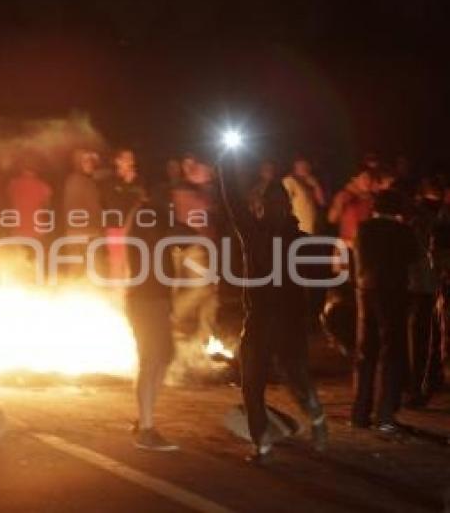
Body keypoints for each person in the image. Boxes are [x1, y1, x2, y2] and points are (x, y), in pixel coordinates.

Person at [219, 158, 328, 464]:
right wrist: (311, 315)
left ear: (263, 206)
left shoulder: (253, 233)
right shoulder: (303, 241)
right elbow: (317, 283)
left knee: (252, 384)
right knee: (296, 377)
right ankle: (316, 417)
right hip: (290, 320)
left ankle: (263, 444)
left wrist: (225, 163)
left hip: (261, 319)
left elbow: (233, 203)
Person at [351, 190, 419, 432]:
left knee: (365, 351)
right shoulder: (403, 231)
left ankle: (360, 412)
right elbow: (414, 260)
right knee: (392, 352)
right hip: (393, 293)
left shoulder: (363, 228)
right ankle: (386, 414)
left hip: (365, 291)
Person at [125, 203, 179, 451]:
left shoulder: (153, 231)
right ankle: (146, 429)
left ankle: (143, 419)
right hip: (146, 301)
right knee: (151, 359)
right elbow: (179, 234)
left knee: (165, 356)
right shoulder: (149, 231)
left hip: (155, 300)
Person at [170, 154, 219, 339]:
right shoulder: (184, 188)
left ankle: (205, 337)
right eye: (205, 170)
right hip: (190, 246)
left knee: (211, 292)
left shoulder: (199, 189)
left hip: (199, 245)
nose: (209, 174)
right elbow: (199, 209)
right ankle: (173, 316)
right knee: (202, 289)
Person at [405, 177, 444, 407]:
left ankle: (420, 386)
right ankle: (420, 387)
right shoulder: (425, 222)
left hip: (421, 287)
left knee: (422, 340)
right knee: (422, 339)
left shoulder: (423, 221)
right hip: (421, 287)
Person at [100, 149, 147, 283]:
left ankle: (128, 297)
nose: (131, 162)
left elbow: (140, 202)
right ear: (117, 161)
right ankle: (116, 296)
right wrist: (126, 184)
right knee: (116, 265)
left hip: (134, 229)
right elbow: (113, 205)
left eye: (132, 159)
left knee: (131, 265)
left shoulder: (138, 181)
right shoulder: (110, 182)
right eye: (127, 158)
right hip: (116, 229)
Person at [62, 148, 102, 275]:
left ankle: (80, 290)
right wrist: (100, 227)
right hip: (85, 231)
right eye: (85, 161)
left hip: (80, 230)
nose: (89, 164)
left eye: (91, 161)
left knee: (81, 268)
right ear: (78, 163)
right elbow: (93, 207)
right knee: (84, 268)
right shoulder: (79, 181)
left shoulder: (81, 180)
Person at [328, 169, 374, 249]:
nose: (368, 181)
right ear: (354, 179)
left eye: (370, 179)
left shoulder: (372, 199)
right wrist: (339, 203)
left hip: (365, 246)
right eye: (364, 178)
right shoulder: (345, 195)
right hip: (346, 245)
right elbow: (332, 219)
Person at [282, 156, 326, 234]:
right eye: (302, 166)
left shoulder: (310, 183)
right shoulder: (290, 181)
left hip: (313, 228)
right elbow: (284, 203)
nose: (306, 168)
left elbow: (322, 202)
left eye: (307, 166)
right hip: (299, 229)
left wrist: (316, 186)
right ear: (295, 167)